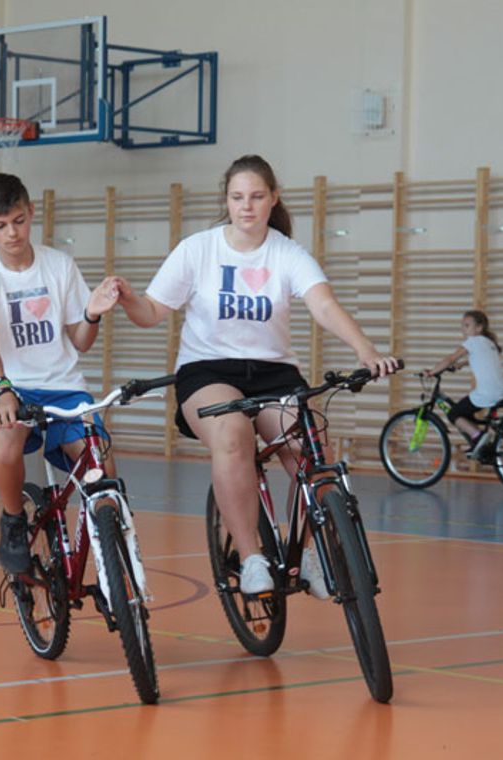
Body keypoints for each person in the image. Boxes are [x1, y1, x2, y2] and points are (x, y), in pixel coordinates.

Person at [104, 154, 399, 596]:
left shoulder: (286, 252)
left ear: (273, 198)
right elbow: (152, 312)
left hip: (275, 373)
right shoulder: (198, 249)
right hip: (207, 371)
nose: (247, 206)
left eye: (257, 196)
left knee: (309, 445)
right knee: (233, 436)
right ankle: (252, 556)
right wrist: (127, 298)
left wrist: (366, 349)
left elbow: (323, 306)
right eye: (237, 197)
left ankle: (318, 550)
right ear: (226, 200)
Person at [0, 173, 117, 574]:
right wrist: (2, 390)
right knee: (8, 442)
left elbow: (80, 341)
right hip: (11, 385)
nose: (11, 233)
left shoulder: (59, 265)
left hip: (63, 387)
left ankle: (112, 556)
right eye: (0, 225)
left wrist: (91, 313)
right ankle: (13, 518)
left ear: (31, 212)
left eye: (18, 220)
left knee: (104, 473)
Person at [424, 309, 503, 460]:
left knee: (454, 413)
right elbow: (481, 358)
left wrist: (432, 372)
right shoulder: (488, 342)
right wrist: (461, 364)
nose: (463, 329)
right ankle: (480, 442)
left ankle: (478, 436)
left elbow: (450, 358)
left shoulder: (473, 342)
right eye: (462, 326)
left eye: (467, 325)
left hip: (486, 393)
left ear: (479, 328)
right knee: (465, 413)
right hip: (500, 391)